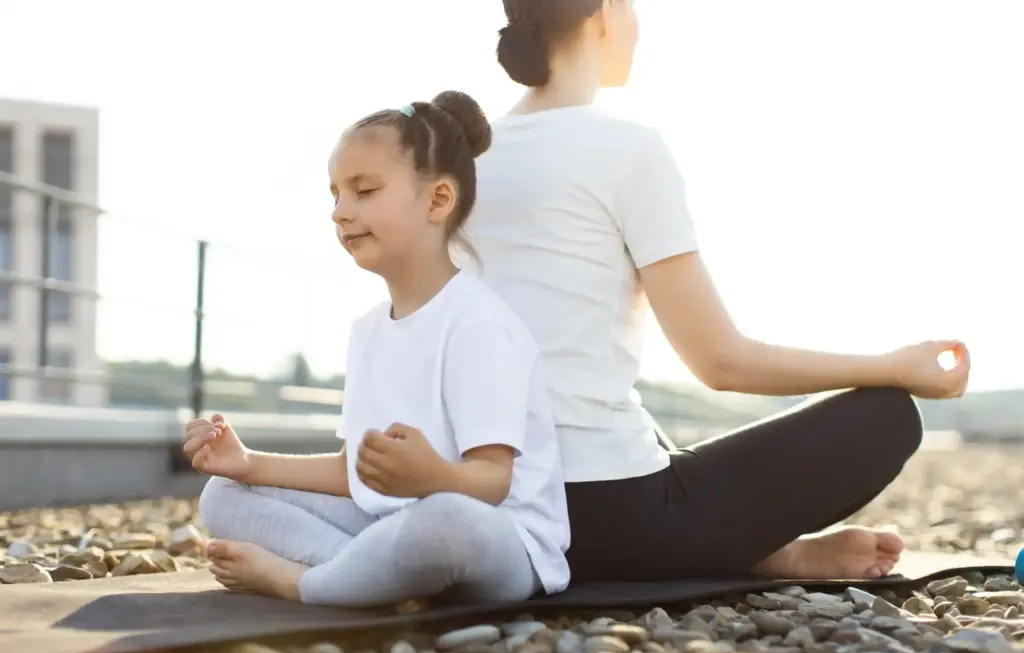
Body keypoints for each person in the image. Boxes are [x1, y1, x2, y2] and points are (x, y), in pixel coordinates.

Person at [458, 0, 971, 585]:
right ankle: (753, 549)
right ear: (605, 11)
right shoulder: (627, 147)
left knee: (631, 420)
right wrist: (896, 367)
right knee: (885, 415)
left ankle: (774, 553)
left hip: (492, 507)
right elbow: (720, 361)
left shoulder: (467, 158)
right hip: (608, 520)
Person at [181, 90, 570, 607]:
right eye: (335, 195)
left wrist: (436, 477)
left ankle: (299, 581)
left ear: (437, 201)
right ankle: (376, 577)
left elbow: (493, 482)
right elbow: (352, 474)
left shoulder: (478, 324)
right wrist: (246, 461)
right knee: (224, 497)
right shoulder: (367, 330)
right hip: (389, 523)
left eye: (363, 191)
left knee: (440, 523)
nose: (341, 213)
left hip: (495, 537)